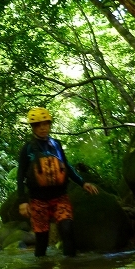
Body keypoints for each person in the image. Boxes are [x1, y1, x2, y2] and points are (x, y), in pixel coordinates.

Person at [17, 107, 99, 257]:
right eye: (38, 125)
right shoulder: (27, 149)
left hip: (60, 197)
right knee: (42, 240)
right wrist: (22, 201)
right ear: (33, 127)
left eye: (45, 124)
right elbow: (20, 175)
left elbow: (66, 166)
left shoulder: (56, 145)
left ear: (49, 124)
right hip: (38, 200)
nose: (42, 128)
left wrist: (82, 183)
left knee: (67, 230)